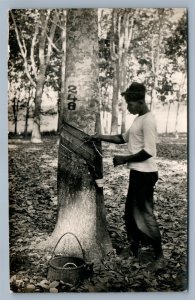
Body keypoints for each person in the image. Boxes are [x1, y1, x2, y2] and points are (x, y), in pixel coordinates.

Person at [90, 82, 164, 269]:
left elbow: (149, 151)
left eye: (130, 104)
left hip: (146, 174)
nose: (128, 107)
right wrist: (99, 136)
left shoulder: (148, 120)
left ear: (140, 102)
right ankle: (133, 248)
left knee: (144, 215)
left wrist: (124, 159)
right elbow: (122, 138)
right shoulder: (139, 119)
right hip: (137, 173)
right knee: (130, 214)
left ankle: (159, 256)